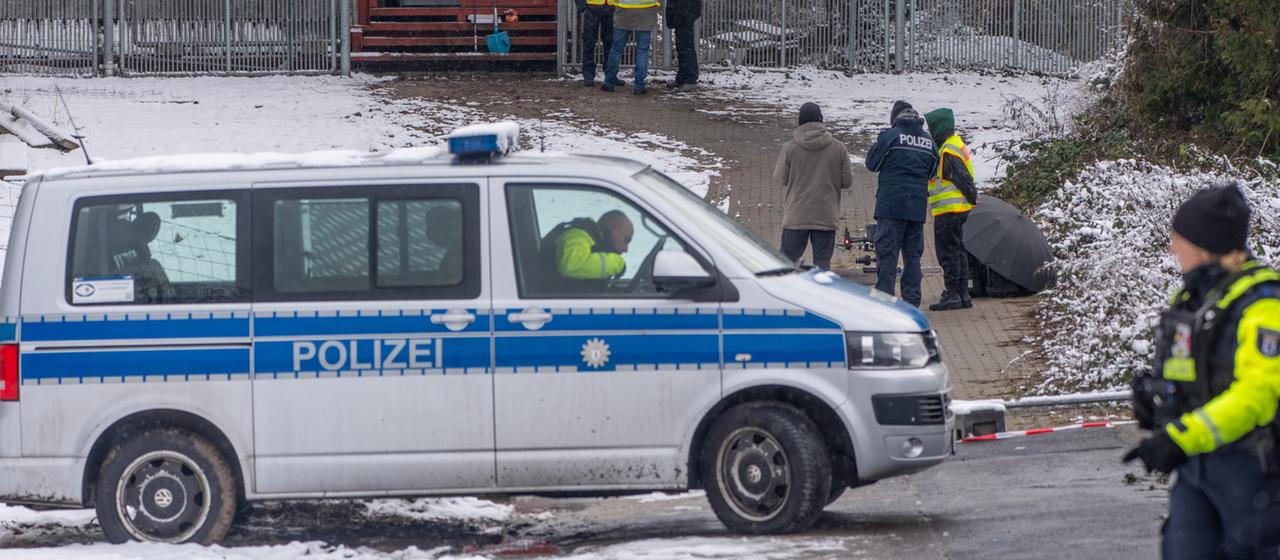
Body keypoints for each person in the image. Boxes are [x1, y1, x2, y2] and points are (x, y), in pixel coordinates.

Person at [1124, 184, 1280, 558]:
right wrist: (1157, 397)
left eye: (1178, 239)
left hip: (1252, 473)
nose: (1172, 249)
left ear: (1204, 247)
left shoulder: (1263, 306)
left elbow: (1257, 396)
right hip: (1197, 469)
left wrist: (1181, 437)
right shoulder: (1195, 300)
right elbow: (1192, 372)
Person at [864, 100, 937, 307]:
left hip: (891, 206)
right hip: (916, 208)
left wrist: (879, 141)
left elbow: (872, 164)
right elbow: (932, 172)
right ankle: (912, 301)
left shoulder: (891, 137)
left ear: (895, 118)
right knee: (913, 256)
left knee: (887, 255)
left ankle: (885, 301)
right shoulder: (928, 142)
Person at [772, 102, 854, 270]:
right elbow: (847, 182)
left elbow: (780, 178)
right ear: (821, 120)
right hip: (825, 216)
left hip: (796, 216)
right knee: (822, 268)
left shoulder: (790, 148)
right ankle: (820, 296)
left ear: (799, 121)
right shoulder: (838, 148)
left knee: (786, 267)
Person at [924, 107, 977, 311]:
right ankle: (963, 294)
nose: (930, 132)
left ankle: (953, 293)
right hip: (957, 208)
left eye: (932, 128)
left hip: (949, 210)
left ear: (939, 128)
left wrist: (972, 196)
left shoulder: (947, 151)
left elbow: (963, 178)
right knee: (958, 250)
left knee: (947, 252)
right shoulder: (953, 145)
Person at [539, 210, 633, 291]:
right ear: (613, 228)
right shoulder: (577, 235)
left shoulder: (596, 242)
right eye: (626, 240)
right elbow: (571, 264)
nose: (626, 249)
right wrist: (617, 263)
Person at [604, 0, 659, 95]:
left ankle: (609, 82)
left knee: (616, 49)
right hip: (646, 12)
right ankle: (639, 85)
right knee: (642, 50)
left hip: (624, 11)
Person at [575, 0, 616, 87]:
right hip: (593, 7)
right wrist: (582, 5)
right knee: (589, 41)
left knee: (611, 42)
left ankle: (610, 75)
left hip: (611, 6)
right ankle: (588, 75)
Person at [664, 0, 701, 91]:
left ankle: (690, 80)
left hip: (684, 15)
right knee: (682, 47)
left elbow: (684, 4)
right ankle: (683, 78)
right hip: (684, 14)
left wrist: (677, 18)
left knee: (686, 48)